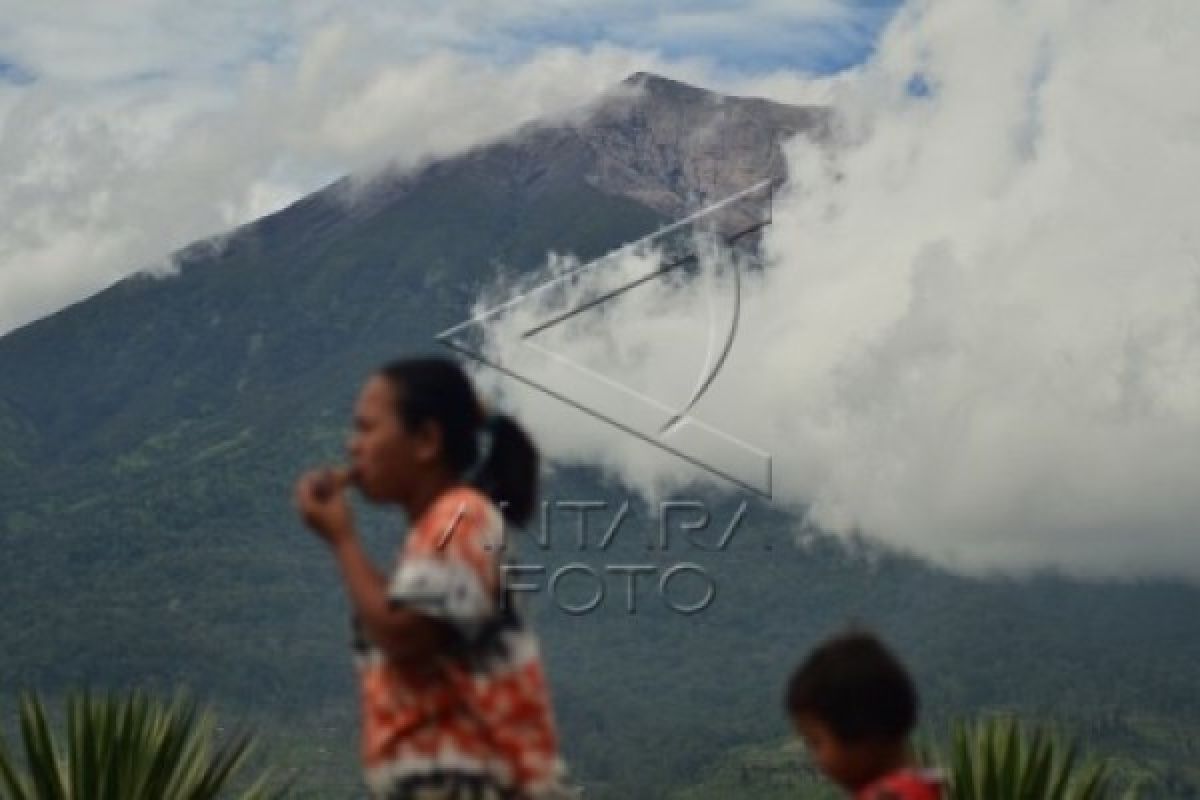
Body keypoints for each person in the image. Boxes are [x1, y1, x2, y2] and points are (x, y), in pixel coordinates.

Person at [295, 356, 573, 800]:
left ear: (426, 440)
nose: (353, 447)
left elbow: (405, 634)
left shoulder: (460, 517)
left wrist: (343, 539)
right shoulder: (438, 530)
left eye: (367, 429)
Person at [784, 630, 943, 800]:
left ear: (863, 733)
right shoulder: (923, 787)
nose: (817, 761)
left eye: (816, 742)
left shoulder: (890, 796)